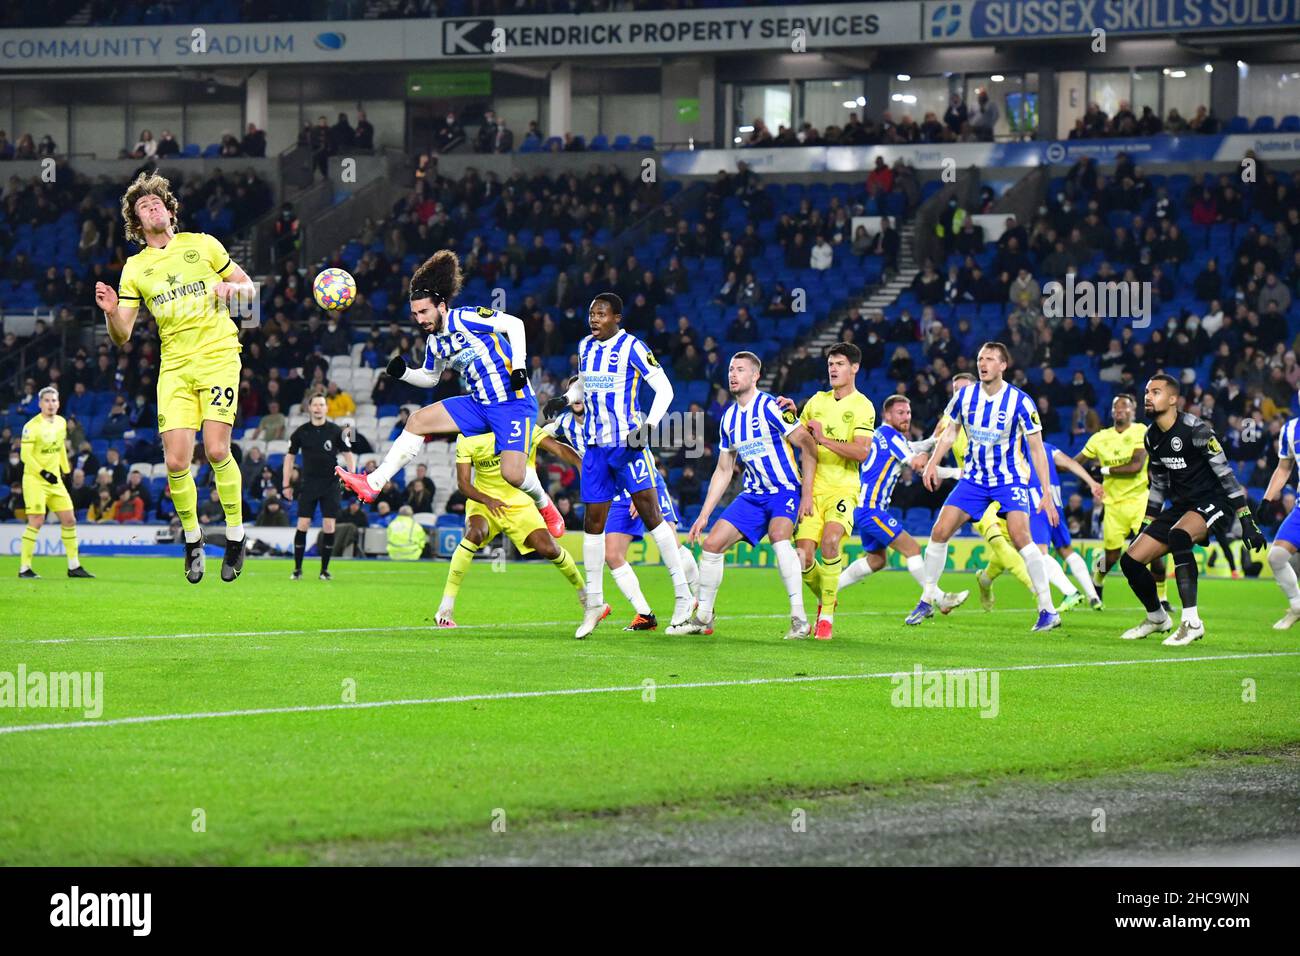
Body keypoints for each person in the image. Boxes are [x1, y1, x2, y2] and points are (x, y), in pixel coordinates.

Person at [94, 172, 256, 584]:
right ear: (136, 222)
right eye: (142, 207)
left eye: (156, 203)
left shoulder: (203, 244)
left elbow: (248, 288)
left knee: (216, 450)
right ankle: (193, 539)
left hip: (219, 356)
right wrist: (111, 313)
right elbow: (122, 335)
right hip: (175, 367)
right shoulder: (135, 268)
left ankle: (236, 536)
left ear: (169, 210)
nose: (151, 208)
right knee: (176, 460)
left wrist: (233, 292)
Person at [336, 250, 564, 536]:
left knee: (513, 474)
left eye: (424, 312)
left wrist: (519, 367)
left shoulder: (466, 317)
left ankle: (545, 505)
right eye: (415, 314)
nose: (419, 319)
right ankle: (373, 483)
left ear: (441, 306)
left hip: (512, 403)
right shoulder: (435, 343)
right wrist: (404, 373)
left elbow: (514, 324)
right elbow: (430, 378)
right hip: (479, 404)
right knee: (416, 421)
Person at [544, 293, 693, 639]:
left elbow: (665, 389)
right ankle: (595, 603)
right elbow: (585, 383)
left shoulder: (633, 348)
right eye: (591, 314)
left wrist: (649, 427)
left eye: (601, 314)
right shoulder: (586, 346)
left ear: (617, 318)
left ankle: (684, 596)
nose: (594, 319)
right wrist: (566, 398)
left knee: (652, 516)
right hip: (596, 448)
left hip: (628, 444)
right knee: (592, 523)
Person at [915, 342, 1061, 632]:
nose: (983, 364)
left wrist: (1046, 491)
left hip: (1009, 479)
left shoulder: (1020, 401)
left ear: (1003, 365)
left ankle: (1048, 610)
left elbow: (1036, 449)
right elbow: (950, 432)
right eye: (981, 358)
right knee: (939, 531)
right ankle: (927, 599)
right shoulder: (964, 396)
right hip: (974, 479)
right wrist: (933, 462)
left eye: (990, 359)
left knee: (1021, 537)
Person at [675, 351, 819, 638]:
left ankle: (799, 619)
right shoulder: (728, 418)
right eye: (731, 369)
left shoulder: (772, 407)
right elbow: (724, 469)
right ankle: (704, 617)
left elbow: (808, 444)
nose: (732, 374)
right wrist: (704, 514)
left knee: (779, 537)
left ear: (755, 376)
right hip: (753, 495)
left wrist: (807, 493)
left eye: (740, 369)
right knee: (712, 545)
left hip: (784, 490)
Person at [1119, 374, 1267, 645]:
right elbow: (1159, 486)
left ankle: (1192, 623)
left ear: (1173, 399)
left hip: (1216, 501)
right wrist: (1145, 526)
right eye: (1147, 392)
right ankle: (1157, 618)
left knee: (1179, 535)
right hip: (1182, 507)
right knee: (1130, 561)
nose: (1148, 396)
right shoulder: (1151, 437)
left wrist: (1247, 520)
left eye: (1156, 392)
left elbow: (1227, 476)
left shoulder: (1197, 431)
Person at [547, 390, 699, 632]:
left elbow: (642, 448)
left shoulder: (612, 412)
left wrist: (639, 492)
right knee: (612, 555)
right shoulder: (564, 423)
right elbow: (538, 435)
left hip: (641, 481)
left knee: (672, 541)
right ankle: (645, 614)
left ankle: (700, 601)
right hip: (614, 492)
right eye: (573, 394)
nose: (578, 399)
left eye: (582, 393)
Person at [435, 418, 586, 628]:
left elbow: (558, 449)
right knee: (475, 533)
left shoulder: (521, 426)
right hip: (484, 501)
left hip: (520, 503)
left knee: (549, 549)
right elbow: (463, 484)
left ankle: (584, 594)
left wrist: (580, 464)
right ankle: (445, 607)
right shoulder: (468, 437)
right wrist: (487, 500)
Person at [779, 343, 877, 641]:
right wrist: (791, 416)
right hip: (813, 488)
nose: (833, 369)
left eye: (840, 364)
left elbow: (861, 452)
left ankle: (826, 619)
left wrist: (823, 439)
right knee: (803, 557)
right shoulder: (816, 402)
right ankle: (828, 596)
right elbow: (802, 442)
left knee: (831, 542)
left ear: (854, 368)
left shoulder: (863, 406)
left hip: (843, 489)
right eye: (831, 364)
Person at [837, 395, 968, 613]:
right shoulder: (892, 437)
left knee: (876, 560)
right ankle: (939, 599)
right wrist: (954, 470)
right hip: (871, 509)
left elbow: (910, 447)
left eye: (908, 412)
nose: (906, 416)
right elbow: (917, 463)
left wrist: (933, 441)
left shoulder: (881, 434)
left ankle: (830, 588)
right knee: (912, 548)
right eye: (900, 413)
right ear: (887, 415)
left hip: (864, 508)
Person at [1077, 394, 1170, 610]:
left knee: (1155, 553)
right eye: (1116, 406)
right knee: (1110, 557)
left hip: (1140, 503)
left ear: (1133, 411)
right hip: (1113, 505)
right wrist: (1052, 460)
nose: (1119, 409)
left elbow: (1135, 467)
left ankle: (1162, 597)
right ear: (1111, 411)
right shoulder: (1100, 438)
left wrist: (1102, 470)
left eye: (1124, 406)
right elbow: (1076, 462)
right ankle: (1097, 579)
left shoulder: (1141, 431)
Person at [17, 387, 93, 579]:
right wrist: (44, 473)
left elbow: (59, 449)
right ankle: (24, 568)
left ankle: (74, 566)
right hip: (35, 480)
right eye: (47, 401)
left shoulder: (61, 422)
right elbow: (25, 456)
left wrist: (66, 472)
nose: (50, 404)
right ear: (40, 404)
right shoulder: (31, 426)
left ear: (58, 403)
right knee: (37, 521)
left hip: (55, 481)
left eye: (54, 400)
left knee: (69, 519)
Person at [284, 393, 355, 581]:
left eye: (321, 405)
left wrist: (351, 477)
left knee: (329, 525)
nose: (318, 408)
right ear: (309, 408)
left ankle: (324, 570)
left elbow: (348, 454)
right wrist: (286, 484)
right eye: (315, 405)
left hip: (330, 484)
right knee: (303, 524)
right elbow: (289, 458)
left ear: (326, 408)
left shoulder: (336, 431)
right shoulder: (301, 432)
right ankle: (297, 569)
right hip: (308, 483)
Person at [1258, 406, 1300, 628]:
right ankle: (1297, 606)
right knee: (1276, 557)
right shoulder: (1291, 429)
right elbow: (1284, 469)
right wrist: (1267, 499)